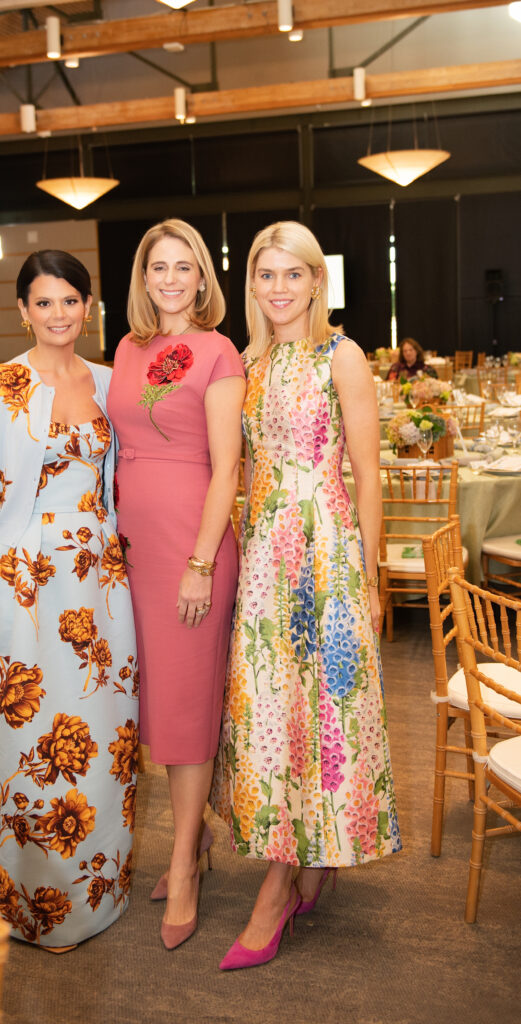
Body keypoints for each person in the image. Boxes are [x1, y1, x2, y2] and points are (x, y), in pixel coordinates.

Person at [211, 221, 402, 971]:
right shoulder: (246, 362)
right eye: (266, 276)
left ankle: (276, 888)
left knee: (323, 710)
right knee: (268, 710)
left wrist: (372, 577)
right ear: (252, 285)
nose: (279, 288)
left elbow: (364, 474)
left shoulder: (341, 355)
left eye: (293, 275)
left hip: (325, 558)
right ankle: (303, 856)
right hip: (264, 559)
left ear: (316, 282)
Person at [0, 250, 138, 951]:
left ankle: (101, 891)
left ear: (89, 306)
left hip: (99, 580)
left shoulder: (109, 379)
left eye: (70, 300)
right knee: (31, 738)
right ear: (22, 310)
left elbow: (121, 482)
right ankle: (37, 908)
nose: (58, 314)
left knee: (102, 740)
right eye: (44, 302)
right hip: (23, 580)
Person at [107, 219, 245, 950]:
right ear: (143, 276)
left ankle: (184, 865)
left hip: (192, 549)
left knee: (188, 711)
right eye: (157, 266)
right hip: (132, 551)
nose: (169, 278)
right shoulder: (126, 351)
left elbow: (226, 467)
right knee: (156, 708)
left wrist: (199, 561)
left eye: (182, 267)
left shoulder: (219, 351)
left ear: (201, 278)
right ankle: (193, 845)